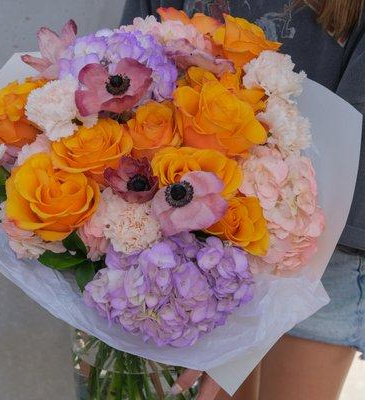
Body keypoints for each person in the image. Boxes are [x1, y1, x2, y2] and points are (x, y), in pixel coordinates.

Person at [121, 1, 365, 399]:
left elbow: (355, 130)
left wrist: (239, 330)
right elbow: (129, 68)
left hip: (322, 246)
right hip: (195, 241)